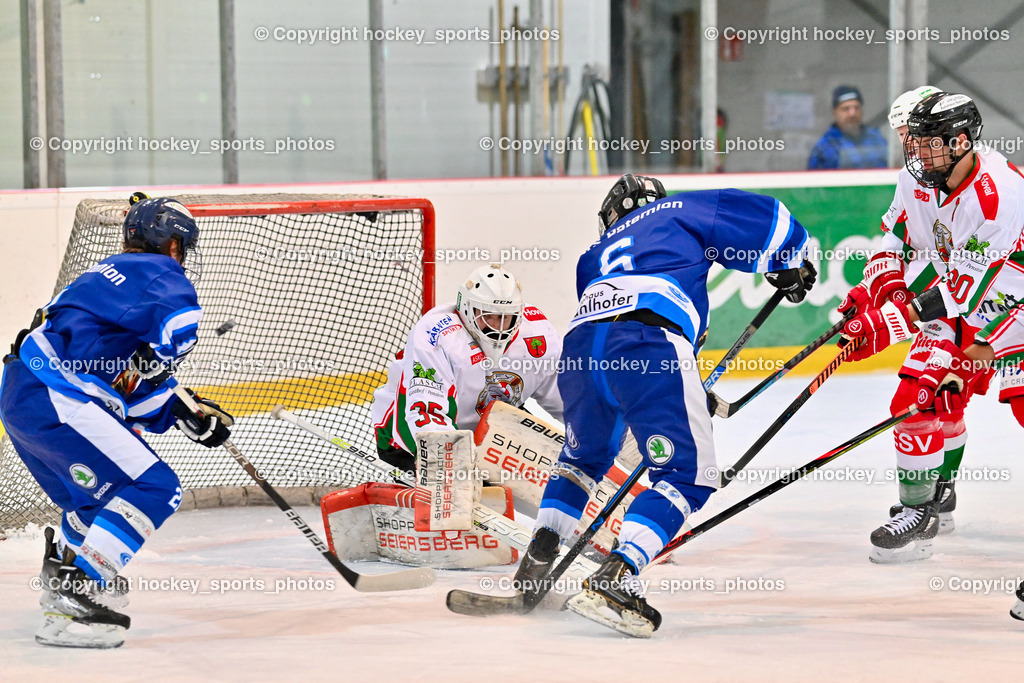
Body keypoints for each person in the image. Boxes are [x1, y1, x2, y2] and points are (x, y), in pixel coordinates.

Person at [514, 174, 815, 637]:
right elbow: (770, 220)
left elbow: (612, 327)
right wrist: (791, 260)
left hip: (579, 349)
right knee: (688, 476)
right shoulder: (679, 211)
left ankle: (537, 557)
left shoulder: (590, 257)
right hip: (646, 342)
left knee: (582, 457)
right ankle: (619, 573)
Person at [0, 193, 234, 648]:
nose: (181, 259)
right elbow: (181, 326)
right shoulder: (155, 272)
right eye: (181, 248)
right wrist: (166, 357)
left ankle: (62, 578)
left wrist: (183, 411)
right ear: (171, 245)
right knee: (156, 487)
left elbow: (127, 388)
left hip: (25, 396)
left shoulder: (106, 288)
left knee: (93, 503)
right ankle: (78, 590)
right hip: (58, 395)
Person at [837, 92, 1024, 563]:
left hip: (1012, 302)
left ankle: (933, 499)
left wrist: (886, 325)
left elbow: (961, 290)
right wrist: (875, 292)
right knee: (920, 396)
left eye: (927, 143)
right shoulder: (917, 177)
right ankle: (923, 511)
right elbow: (898, 238)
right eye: (912, 142)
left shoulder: (1000, 195)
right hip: (966, 304)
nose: (915, 152)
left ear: (961, 142)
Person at [370, 263, 563, 474]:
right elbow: (424, 410)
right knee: (454, 496)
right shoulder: (437, 335)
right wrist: (451, 467)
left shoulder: (537, 333)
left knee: (555, 469)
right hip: (407, 432)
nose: (496, 326)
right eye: (487, 315)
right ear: (467, 307)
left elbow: (567, 398)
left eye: (503, 317)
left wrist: (596, 436)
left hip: (488, 430)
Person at [808, 85, 888, 170]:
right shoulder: (824, 148)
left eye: (856, 107)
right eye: (846, 109)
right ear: (835, 112)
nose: (852, 114)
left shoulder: (876, 140)